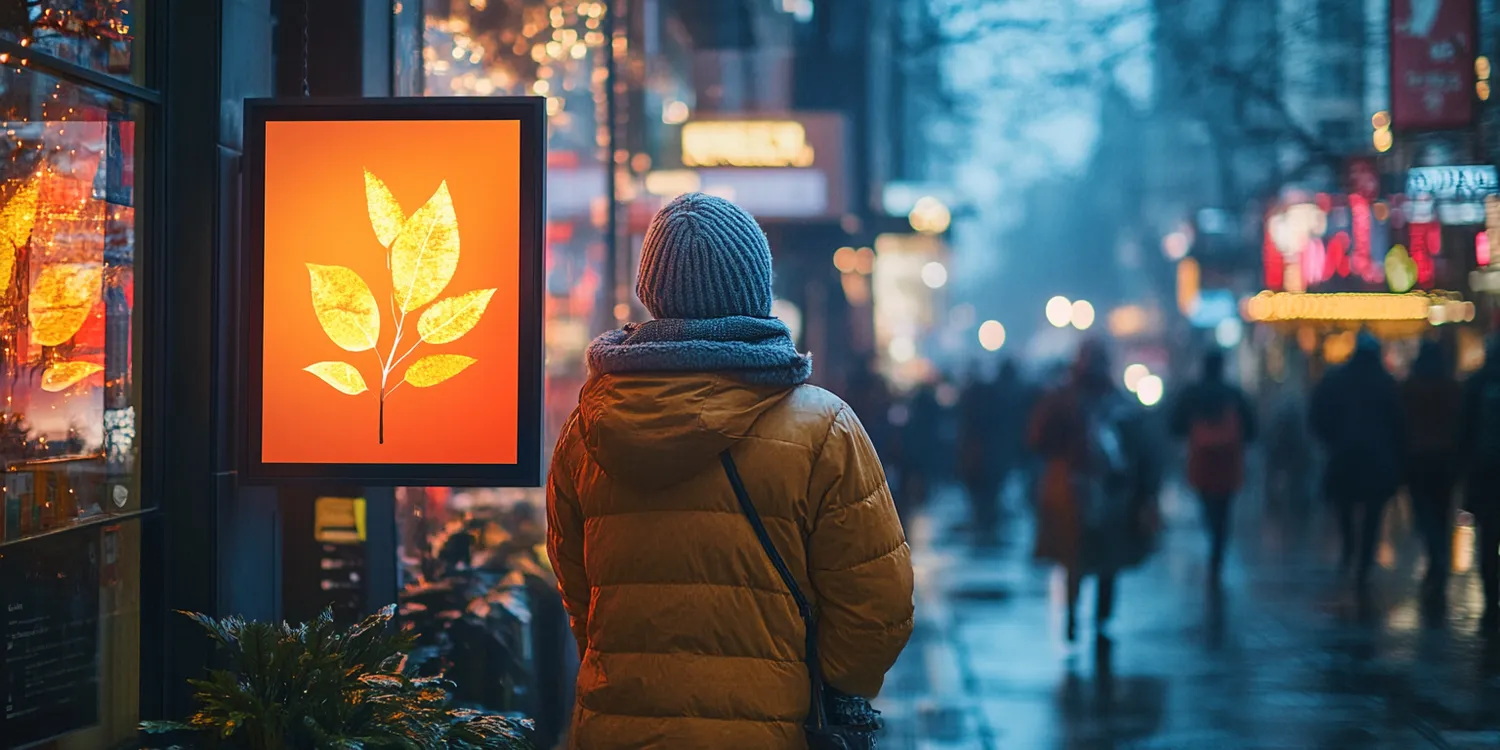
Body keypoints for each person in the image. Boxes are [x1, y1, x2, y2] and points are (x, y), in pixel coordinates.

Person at [546, 193, 915, 748]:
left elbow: (578, 593)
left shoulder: (589, 428)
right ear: (755, 287)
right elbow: (876, 606)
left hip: (617, 726)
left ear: (653, 292)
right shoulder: (822, 429)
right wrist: (831, 682)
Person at [1029, 340, 1159, 642]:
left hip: (1099, 489)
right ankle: (1087, 617)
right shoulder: (1072, 400)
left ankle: (1088, 617)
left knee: (1088, 557)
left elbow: (1142, 450)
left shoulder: (1084, 400)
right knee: (1086, 556)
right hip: (1078, 489)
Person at [1310, 332, 1405, 589]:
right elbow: (1399, 425)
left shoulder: (1336, 380)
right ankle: (1363, 563)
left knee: (1345, 508)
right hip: (1378, 459)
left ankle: (1349, 551)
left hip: (1344, 456)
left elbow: (1317, 414)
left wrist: (1330, 440)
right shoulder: (1387, 383)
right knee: (1373, 514)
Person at [1170, 349, 1256, 585]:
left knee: (1207, 504)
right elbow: (1251, 428)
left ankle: (1214, 544)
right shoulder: (1233, 394)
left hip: (1201, 463)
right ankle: (1217, 552)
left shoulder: (1193, 394)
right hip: (1228, 464)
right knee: (1224, 509)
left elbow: (1175, 424)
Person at [1401, 339, 1462, 602]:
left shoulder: (1409, 388)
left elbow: (1400, 423)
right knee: (1442, 512)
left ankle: (1435, 555)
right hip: (1446, 459)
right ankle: (1440, 560)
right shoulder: (1452, 388)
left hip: (1416, 459)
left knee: (1424, 512)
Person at [1459, 335, 1500, 628]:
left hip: (1485, 473)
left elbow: (1463, 432)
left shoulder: (1476, 384)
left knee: (1487, 539)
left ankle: (1490, 600)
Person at [957, 363, 1005, 543]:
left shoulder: (970, 404)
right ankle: (987, 522)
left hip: (978, 456)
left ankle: (982, 521)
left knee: (980, 493)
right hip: (990, 456)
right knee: (988, 493)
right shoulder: (995, 404)